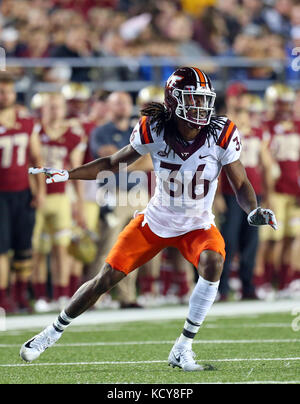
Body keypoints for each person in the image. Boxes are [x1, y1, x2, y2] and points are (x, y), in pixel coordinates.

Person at [20, 67, 277, 371]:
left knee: (213, 263)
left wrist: (252, 210)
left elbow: (241, 183)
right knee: (105, 278)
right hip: (155, 221)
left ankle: (183, 348)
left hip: (196, 224)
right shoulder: (153, 129)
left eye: (205, 100)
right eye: (193, 100)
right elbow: (113, 162)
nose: (201, 107)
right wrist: (68, 173)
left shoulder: (221, 132)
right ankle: (50, 333)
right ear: (174, 101)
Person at [0, 73, 45, 312]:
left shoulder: (27, 122)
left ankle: (20, 295)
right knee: (2, 249)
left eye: (7, 91)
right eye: (1, 91)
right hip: (1, 196)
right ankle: (3, 297)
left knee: (24, 248)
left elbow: (36, 158)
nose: (4, 96)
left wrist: (40, 191)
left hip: (23, 193)